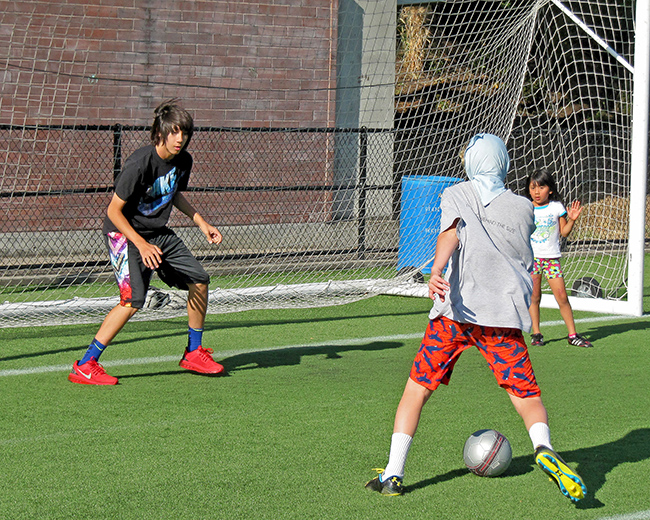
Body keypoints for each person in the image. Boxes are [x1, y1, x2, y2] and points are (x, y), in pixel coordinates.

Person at [365, 134, 587, 502]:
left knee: (416, 390)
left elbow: (450, 234)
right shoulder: (523, 208)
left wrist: (436, 270)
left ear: (470, 162)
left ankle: (393, 473)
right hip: (501, 317)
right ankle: (544, 448)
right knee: (526, 394)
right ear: (503, 164)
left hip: (455, 313)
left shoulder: (455, 193)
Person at [68, 99, 225, 385]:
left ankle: (193, 352)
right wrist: (140, 244)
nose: (181, 139)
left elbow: (173, 193)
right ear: (161, 132)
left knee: (200, 279)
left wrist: (201, 222)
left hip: (156, 232)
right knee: (132, 301)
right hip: (123, 233)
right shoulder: (139, 163)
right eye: (175, 132)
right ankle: (86, 363)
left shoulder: (183, 161)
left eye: (185, 133)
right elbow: (113, 211)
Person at [526, 169, 593, 348]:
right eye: (533, 187)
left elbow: (564, 232)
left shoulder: (556, 207)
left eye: (541, 187)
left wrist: (572, 220)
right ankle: (536, 333)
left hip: (551, 260)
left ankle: (572, 334)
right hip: (533, 260)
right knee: (534, 296)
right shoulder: (526, 207)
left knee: (562, 296)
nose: (537, 192)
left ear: (550, 189)